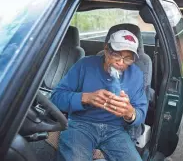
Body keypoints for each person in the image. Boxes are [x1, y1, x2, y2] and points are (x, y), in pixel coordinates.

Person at [51, 28, 148, 161]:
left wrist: (130, 113)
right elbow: (56, 97)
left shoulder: (136, 74)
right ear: (106, 49)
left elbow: (141, 112)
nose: (120, 62)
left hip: (116, 130)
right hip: (81, 125)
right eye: (116, 55)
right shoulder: (84, 65)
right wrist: (85, 98)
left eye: (128, 58)